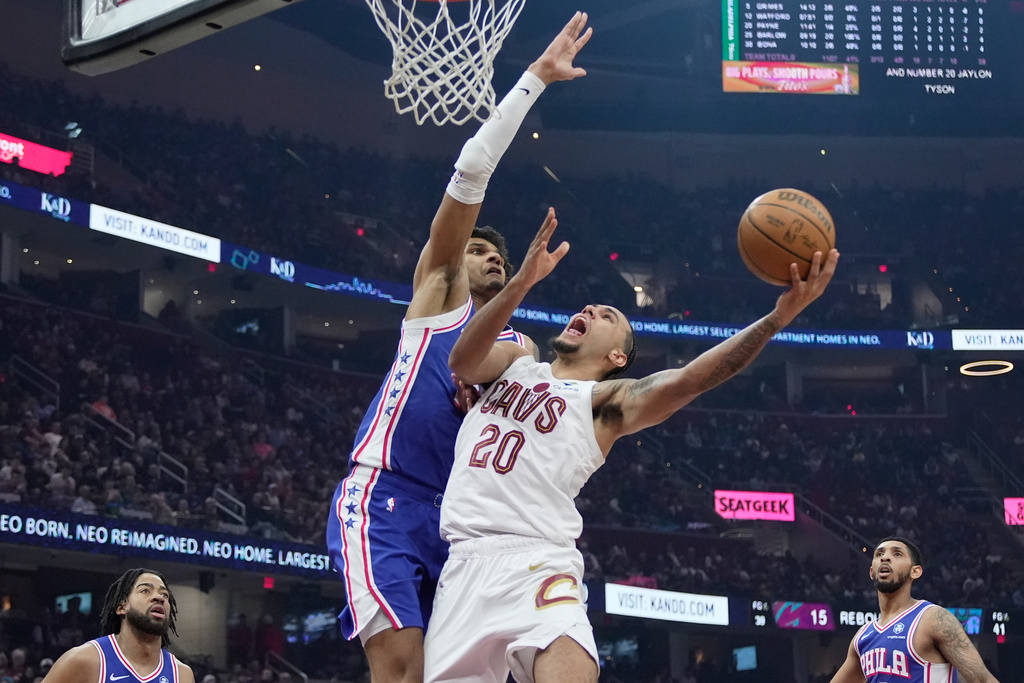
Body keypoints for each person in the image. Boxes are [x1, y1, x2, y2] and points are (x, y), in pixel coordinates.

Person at [423, 212, 840, 682]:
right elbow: (462, 358)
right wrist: (520, 284)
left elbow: (690, 379)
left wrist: (777, 318)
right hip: (462, 564)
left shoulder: (605, 403)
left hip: (536, 561)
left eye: (608, 317)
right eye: (590, 308)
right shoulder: (518, 361)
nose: (590, 310)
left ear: (617, 357)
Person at [325, 12, 593, 683]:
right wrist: (533, 78)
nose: (487, 256)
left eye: (497, 254)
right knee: (400, 668)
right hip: (384, 494)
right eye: (478, 249)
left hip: (459, 529)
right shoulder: (437, 296)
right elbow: (470, 173)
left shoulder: (517, 347)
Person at [829, 537, 1000, 683]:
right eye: (879, 554)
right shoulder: (862, 636)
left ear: (915, 571)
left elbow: (982, 679)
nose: (885, 558)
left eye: (897, 554)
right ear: (872, 572)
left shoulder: (934, 618)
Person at [41, 568, 194, 683]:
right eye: (145, 591)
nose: (158, 598)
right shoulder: (84, 660)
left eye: (164, 595)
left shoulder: (181, 675)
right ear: (122, 607)